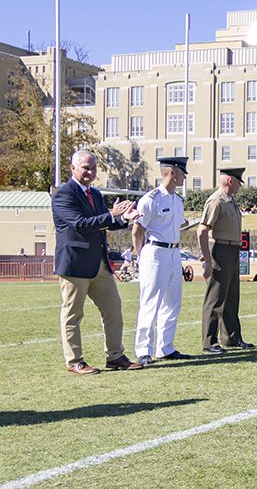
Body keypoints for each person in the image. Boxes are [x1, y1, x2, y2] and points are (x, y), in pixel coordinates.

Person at [53, 150, 143, 375]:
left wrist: (124, 218)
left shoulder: (95, 193)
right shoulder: (64, 194)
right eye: (85, 167)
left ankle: (115, 356)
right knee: (73, 314)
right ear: (72, 168)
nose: (90, 172)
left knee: (113, 309)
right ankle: (75, 361)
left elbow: (105, 223)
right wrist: (112, 214)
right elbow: (81, 224)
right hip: (75, 264)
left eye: (93, 168)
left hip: (99, 264)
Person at [132, 157, 190, 365]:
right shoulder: (151, 199)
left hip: (174, 252)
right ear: (172, 173)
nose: (184, 177)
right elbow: (137, 231)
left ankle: (165, 347)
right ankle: (143, 350)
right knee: (150, 302)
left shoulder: (177, 200)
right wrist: (141, 257)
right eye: (182, 173)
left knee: (172, 302)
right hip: (155, 252)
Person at [198, 167, 254, 354]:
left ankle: (231, 337)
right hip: (220, 249)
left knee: (231, 297)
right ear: (230, 181)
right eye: (238, 182)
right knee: (215, 298)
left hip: (231, 249)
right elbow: (203, 229)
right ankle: (209, 342)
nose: (240, 186)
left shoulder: (230, 201)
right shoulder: (217, 201)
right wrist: (207, 258)